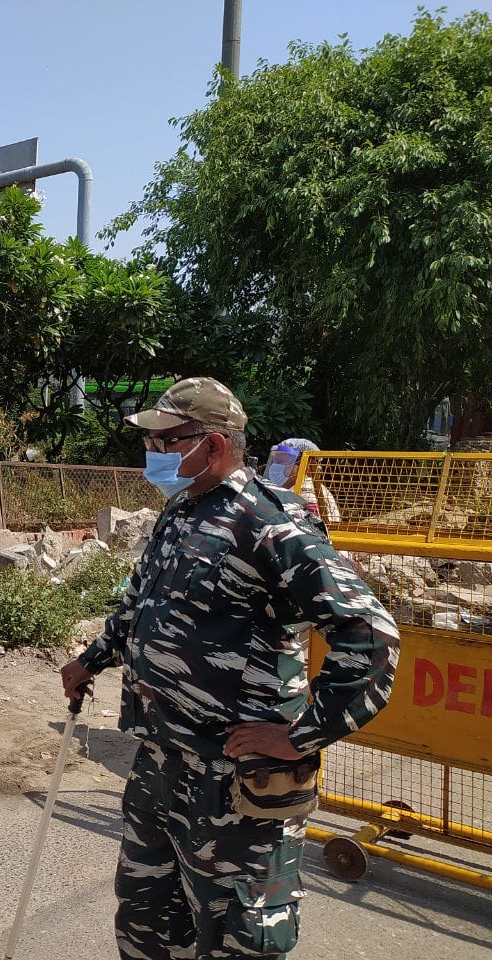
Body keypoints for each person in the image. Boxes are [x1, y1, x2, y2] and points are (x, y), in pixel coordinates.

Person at [58, 377, 399, 960]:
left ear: (213, 445)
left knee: (239, 939)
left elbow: (369, 635)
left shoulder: (271, 523)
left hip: (237, 783)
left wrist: (301, 734)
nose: (154, 455)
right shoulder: (180, 512)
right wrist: (90, 659)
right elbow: (141, 607)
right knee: (146, 924)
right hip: (161, 763)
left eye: (167, 441)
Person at [265, 437, 342, 522]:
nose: (275, 466)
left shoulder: (307, 491)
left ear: (304, 464)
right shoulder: (291, 488)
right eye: (275, 461)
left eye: (281, 462)